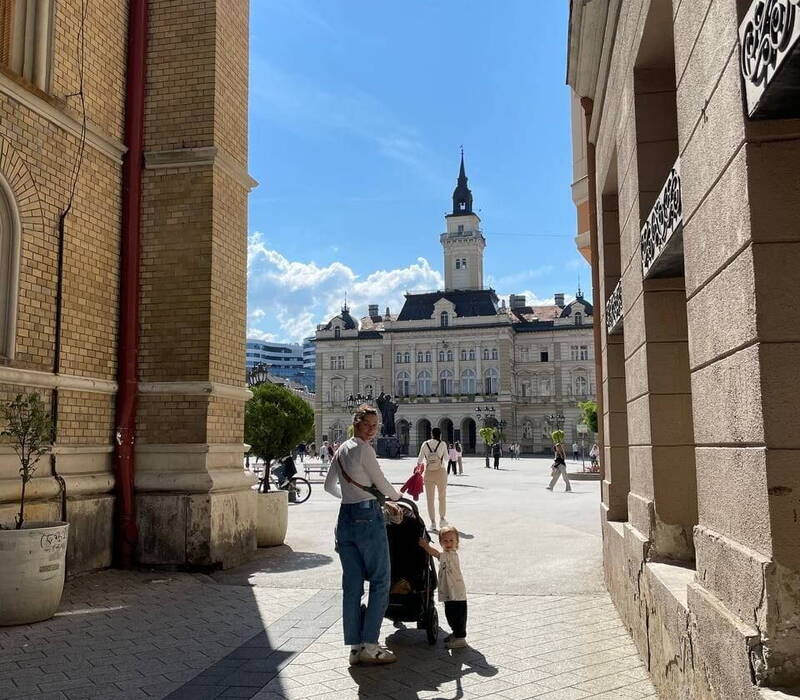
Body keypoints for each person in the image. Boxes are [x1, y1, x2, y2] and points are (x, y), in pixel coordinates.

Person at [324, 405, 403, 665]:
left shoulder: (341, 449)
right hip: (367, 519)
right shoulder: (365, 449)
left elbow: (328, 486)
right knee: (380, 580)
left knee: (352, 586)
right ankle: (371, 643)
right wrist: (398, 498)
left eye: (375, 424)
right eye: (368, 424)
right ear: (356, 423)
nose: (373, 429)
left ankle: (355, 647)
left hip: (344, 520)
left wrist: (348, 498)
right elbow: (381, 483)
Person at [418, 526, 468, 648]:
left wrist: (425, 546)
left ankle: (461, 638)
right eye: (445, 541)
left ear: (457, 542)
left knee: (457, 615)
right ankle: (456, 633)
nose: (448, 543)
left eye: (451, 540)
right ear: (440, 542)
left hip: (456, 593)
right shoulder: (447, 553)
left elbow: (436, 554)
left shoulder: (451, 555)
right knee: (451, 614)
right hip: (451, 593)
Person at [417, 427, 449, 530]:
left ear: (431, 434)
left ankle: (433, 522)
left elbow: (420, 460)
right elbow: (447, 459)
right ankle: (442, 519)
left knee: (430, 499)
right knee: (442, 497)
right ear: (440, 435)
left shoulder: (425, 444)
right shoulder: (443, 444)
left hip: (428, 473)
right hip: (441, 472)